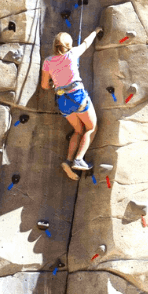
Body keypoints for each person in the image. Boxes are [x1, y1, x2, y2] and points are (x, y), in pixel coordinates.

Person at [41, 29, 102, 180]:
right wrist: (96, 31)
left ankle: (68, 161)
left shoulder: (47, 61)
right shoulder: (72, 54)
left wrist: (53, 85)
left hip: (62, 101)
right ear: (68, 45)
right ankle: (79, 159)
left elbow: (44, 85)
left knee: (78, 130)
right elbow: (86, 43)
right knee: (91, 127)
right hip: (77, 96)